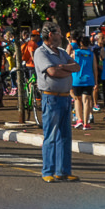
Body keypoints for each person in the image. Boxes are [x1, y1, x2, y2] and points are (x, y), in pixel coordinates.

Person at [33, 23, 80, 182]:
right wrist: (65, 69)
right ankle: (48, 171)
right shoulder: (40, 52)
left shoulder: (60, 52)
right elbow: (52, 72)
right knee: (51, 135)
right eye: (58, 33)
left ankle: (63, 170)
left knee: (65, 135)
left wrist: (62, 67)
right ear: (50, 35)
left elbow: (76, 66)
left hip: (65, 97)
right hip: (51, 98)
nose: (61, 36)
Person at [71, 35, 98, 130]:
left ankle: (79, 120)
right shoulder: (91, 54)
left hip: (76, 79)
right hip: (89, 80)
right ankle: (86, 123)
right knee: (86, 101)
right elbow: (95, 68)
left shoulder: (75, 53)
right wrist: (96, 81)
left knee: (77, 99)